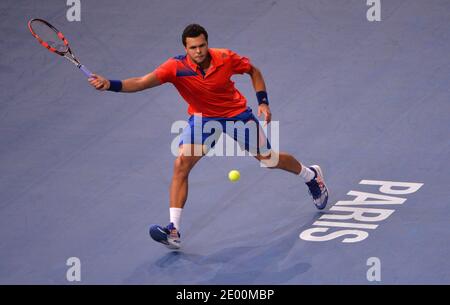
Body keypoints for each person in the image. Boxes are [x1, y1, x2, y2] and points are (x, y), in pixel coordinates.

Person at [88, 24, 329, 250]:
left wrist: (263, 103)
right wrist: (109, 84)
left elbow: (253, 71)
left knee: (268, 160)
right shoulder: (174, 67)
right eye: (193, 47)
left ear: (207, 43)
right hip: (203, 120)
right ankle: (173, 230)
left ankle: (311, 175)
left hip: (237, 115)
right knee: (181, 164)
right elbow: (141, 83)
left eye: (201, 45)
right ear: (185, 48)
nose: (198, 51)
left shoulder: (225, 57)